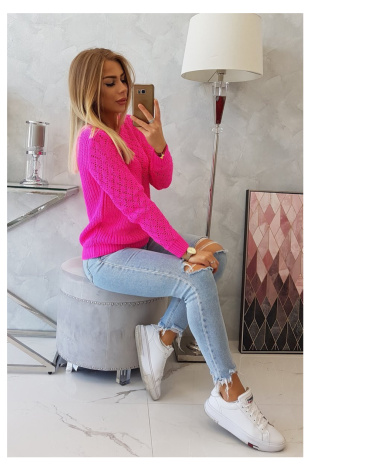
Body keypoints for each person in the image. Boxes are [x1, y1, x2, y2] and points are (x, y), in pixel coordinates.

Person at [67, 47, 285, 453]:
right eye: (110, 82)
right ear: (88, 90)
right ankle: (228, 391)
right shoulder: (94, 141)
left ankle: (162, 337)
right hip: (107, 256)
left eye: (124, 79)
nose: (122, 89)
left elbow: (161, 180)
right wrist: (185, 254)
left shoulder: (130, 127)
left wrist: (158, 142)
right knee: (196, 274)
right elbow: (137, 206)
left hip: (139, 241)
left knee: (216, 258)